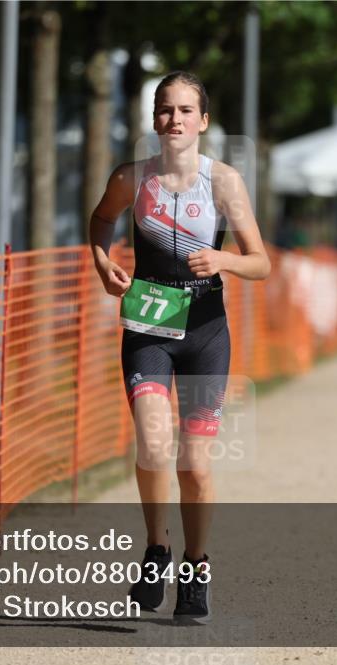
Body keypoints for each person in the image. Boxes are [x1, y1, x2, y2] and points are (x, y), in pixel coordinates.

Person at [88, 71, 270, 624]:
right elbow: (100, 221)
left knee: (193, 464)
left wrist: (223, 261)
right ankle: (156, 548)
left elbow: (260, 263)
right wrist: (102, 262)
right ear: (153, 119)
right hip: (149, 324)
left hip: (206, 332)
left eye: (186, 111)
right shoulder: (131, 178)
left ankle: (194, 567)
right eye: (165, 110)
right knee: (151, 439)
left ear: (204, 121)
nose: (175, 120)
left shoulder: (224, 183)